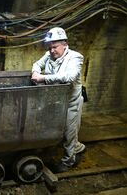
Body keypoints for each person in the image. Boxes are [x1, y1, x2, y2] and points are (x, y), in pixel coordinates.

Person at [31, 27, 86, 172]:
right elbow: (36, 64)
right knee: (56, 130)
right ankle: (78, 147)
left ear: (65, 44)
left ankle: (68, 161)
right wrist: (36, 71)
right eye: (49, 47)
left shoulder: (75, 57)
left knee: (69, 132)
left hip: (70, 103)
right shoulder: (48, 55)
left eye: (54, 47)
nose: (52, 50)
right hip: (55, 102)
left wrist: (42, 78)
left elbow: (69, 77)